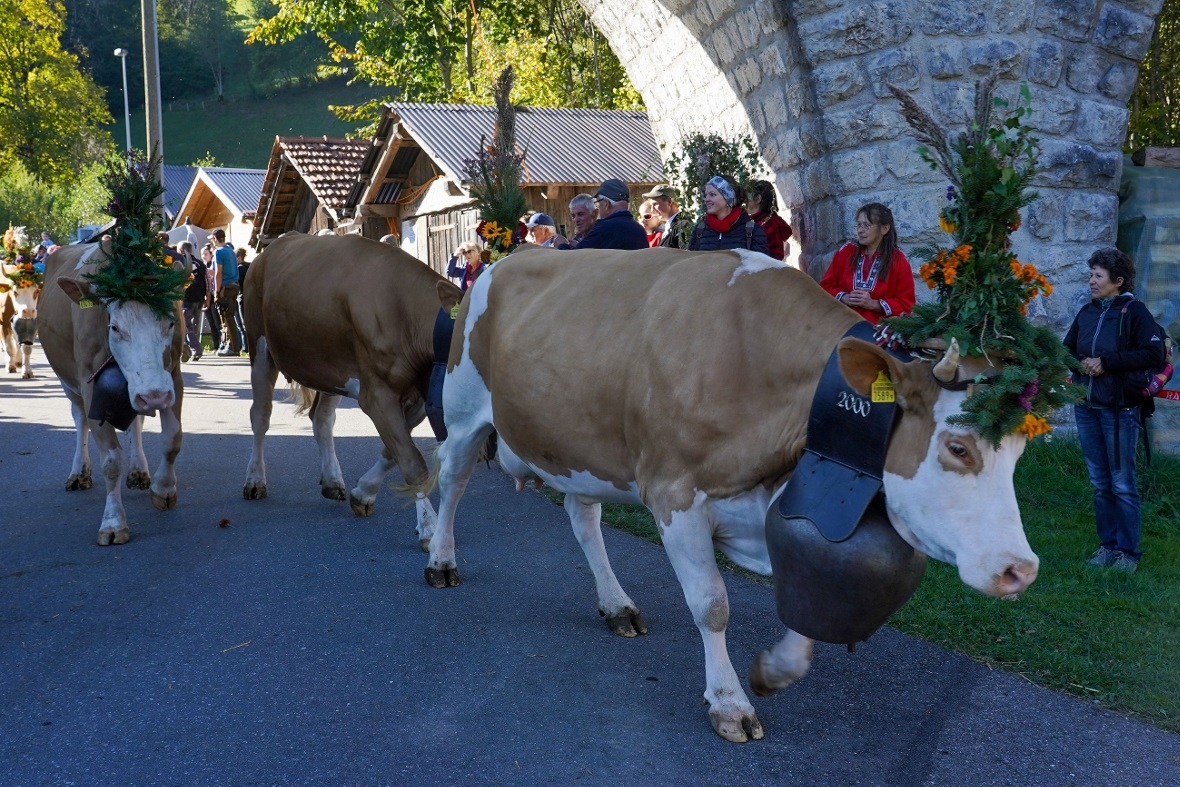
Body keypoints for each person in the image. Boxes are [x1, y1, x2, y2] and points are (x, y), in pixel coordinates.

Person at [1063, 248, 1166, 574]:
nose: (1091, 280)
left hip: (1119, 411)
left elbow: (1153, 352)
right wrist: (1077, 364)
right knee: (1099, 482)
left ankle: (1128, 554)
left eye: (1098, 276)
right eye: (1091, 274)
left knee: (1122, 483)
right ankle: (1107, 547)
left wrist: (1105, 363)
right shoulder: (1087, 312)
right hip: (1087, 408)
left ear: (1118, 281)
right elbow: (1066, 350)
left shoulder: (1134, 312)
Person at [819, 202, 915, 326]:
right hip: (842, 325)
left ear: (885, 228)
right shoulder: (846, 252)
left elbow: (907, 304)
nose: (860, 230)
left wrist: (873, 304)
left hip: (880, 332)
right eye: (858, 225)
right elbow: (826, 286)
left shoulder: (898, 260)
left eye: (866, 225)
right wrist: (844, 297)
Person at [556, 179, 647, 251]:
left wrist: (561, 245)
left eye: (599, 202)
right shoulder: (640, 230)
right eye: (573, 215)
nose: (599, 207)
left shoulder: (604, 229)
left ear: (606, 204)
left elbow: (575, 261)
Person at [687, 175, 769, 254]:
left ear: (728, 198)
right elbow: (691, 265)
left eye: (712, 194)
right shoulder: (700, 230)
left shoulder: (752, 231)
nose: (706, 199)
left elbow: (762, 266)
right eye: (706, 195)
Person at [210, 229, 242, 356]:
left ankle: (233, 347)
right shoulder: (230, 250)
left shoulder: (219, 252)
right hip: (235, 285)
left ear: (215, 238)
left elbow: (218, 273)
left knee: (226, 317)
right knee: (230, 316)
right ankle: (231, 345)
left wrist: (217, 291)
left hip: (225, 287)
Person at [747, 180, 793, 261]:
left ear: (757, 198)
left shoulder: (769, 224)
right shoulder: (756, 222)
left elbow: (769, 257)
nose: (744, 201)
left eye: (746, 197)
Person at [179, 241, 207, 361]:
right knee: (193, 325)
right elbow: (207, 281)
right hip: (200, 298)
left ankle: (195, 348)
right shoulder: (201, 263)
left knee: (186, 326)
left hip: (188, 298)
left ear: (182, 251)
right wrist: (207, 297)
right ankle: (190, 348)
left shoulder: (182, 262)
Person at [643, 184, 690, 249]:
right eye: (651, 206)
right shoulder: (671, 226)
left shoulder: (682, 226)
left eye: (655, 204)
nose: (652, 210)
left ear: (669, 201)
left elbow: (688, 255)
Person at [200, 243, 221, 352]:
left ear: (210, 255)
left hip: (213, 295)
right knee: (211, 322)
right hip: (205, 296)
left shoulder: (212, 264)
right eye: (202, 254)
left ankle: (221, 344)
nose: (204, 256)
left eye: (206, 254)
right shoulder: (202, 266)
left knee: (217, 321)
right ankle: (216, 345)